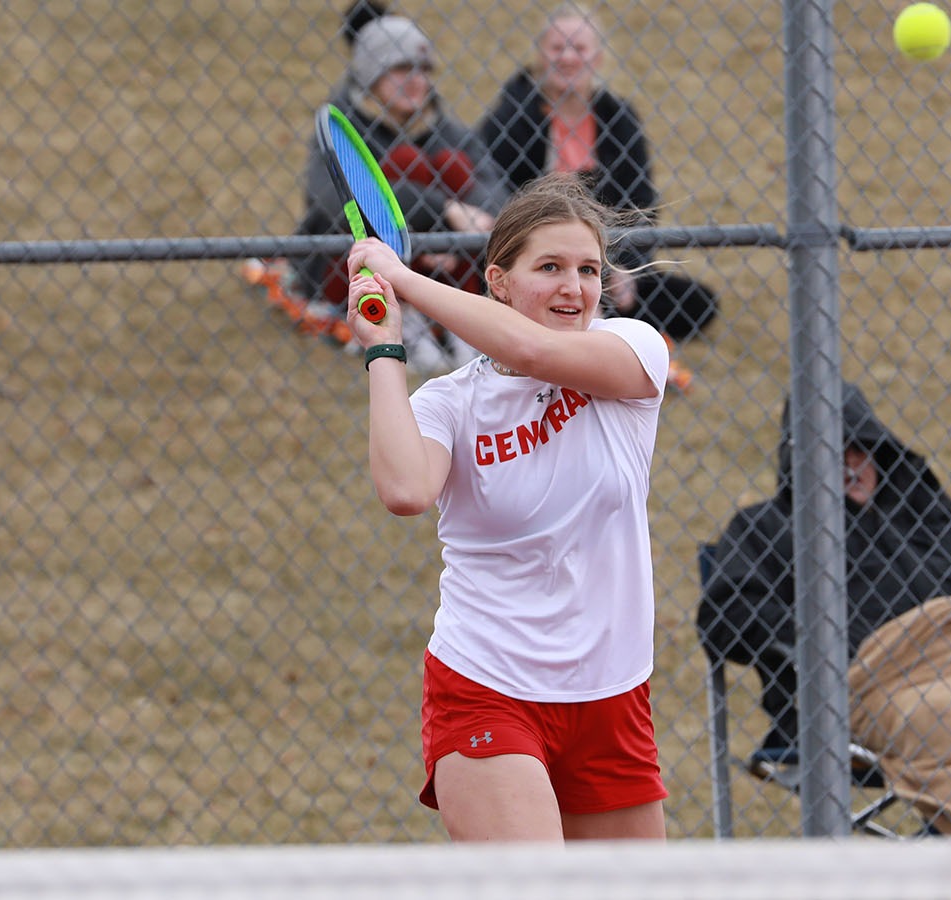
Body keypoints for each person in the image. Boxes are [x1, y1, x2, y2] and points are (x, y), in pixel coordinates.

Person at [343, 172, 670, 842]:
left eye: (587, 269)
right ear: (498, 282)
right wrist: (384, 345)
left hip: (611, 694)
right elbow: (405, 491)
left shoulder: (634, 351)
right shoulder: (451, 402)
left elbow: (531, 350)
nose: (573, 288)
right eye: (548, 267)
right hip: (486, 683)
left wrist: (403, 276)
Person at [696, 382, 951, 767]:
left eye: (860, 450)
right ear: (802, 461)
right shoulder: (769, 526)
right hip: (853, 699)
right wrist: (826, 651)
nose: (850, 465)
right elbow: (726, 611)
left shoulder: (929, 520)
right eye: (832, 453)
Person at [477, 4, 718, 346]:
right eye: (558, 47)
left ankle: (601, 319)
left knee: (697, 302)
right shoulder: (512, 116)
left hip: (603, 258)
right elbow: (492, 191)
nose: (568, 58)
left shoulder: (617, 117)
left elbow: (641, 200)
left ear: (597, 57)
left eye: (579, 48)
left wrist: (622, 266)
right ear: (541, 56)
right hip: (534, 261)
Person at [291, 15, 511, 373]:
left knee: (451, 164)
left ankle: (462, 326)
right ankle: (405, 321)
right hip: (354, 264)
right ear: (370, 73)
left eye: (422, 70)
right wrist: (444, 211)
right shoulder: (341, 127)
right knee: (406, 160)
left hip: (449, 259)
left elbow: (492, 191)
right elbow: (330, 202)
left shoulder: (443, 126)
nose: (415, 81)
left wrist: (450, 237)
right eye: (400, 69)